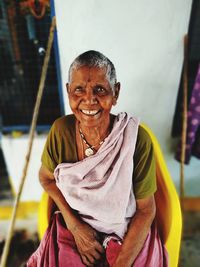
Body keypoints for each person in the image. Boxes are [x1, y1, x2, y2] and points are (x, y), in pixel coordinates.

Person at [27, 50, 168, 267]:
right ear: (68, 92)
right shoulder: (60, 131)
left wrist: (121, 263)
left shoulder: (135, 139)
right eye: (79, 90)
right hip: (76, 227)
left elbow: (146, 209)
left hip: (126, 228)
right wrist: (75, 227)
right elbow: (46, 178)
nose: (89, 100)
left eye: (100, 89)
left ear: (116, 92)